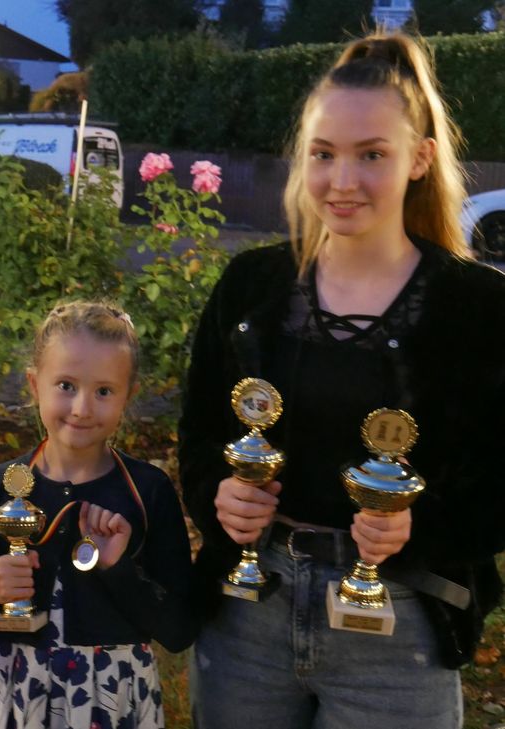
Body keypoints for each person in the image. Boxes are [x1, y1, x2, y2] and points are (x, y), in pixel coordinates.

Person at [178, 31, 505, 729]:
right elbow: (202, 430)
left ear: (418, 159)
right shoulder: (251, 289)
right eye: (323, 154)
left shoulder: (477, 308)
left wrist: (420, 529)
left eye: (371, 155)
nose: (341, 180)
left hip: (401, 628)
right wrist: (218, 494)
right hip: (246, 617)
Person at [0, 300, 195, 729]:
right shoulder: (0, 487)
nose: (82, 407)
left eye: (104, 391)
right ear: (34, 384)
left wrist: (118, 570)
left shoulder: (147, 492)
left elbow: (178, 631)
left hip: (113, 698)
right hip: (16, 691)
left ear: (128, 395)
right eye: (65, 385)